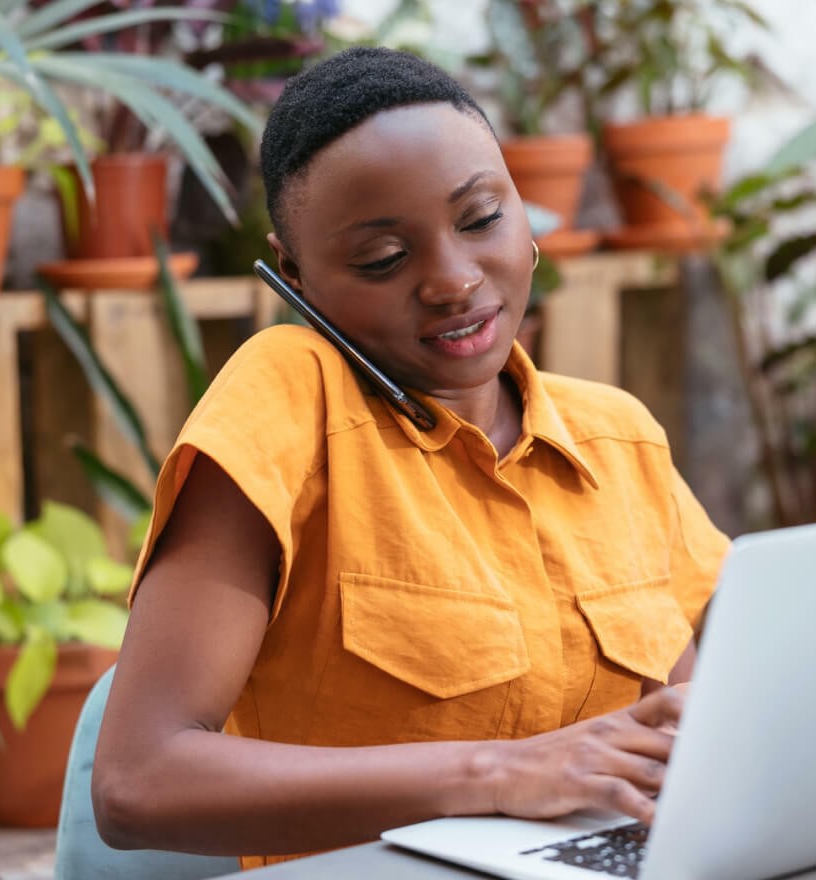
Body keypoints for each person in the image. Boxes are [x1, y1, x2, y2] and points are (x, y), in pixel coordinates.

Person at [91, 46, 730, 869]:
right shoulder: (293, 396)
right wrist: (501, 770)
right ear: (296, 278)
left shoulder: (619, 437)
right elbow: (139, 784)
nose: (454, 280)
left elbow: (679, 726)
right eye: (383, 260)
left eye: (482, 218)